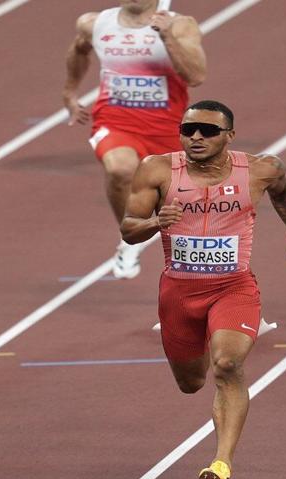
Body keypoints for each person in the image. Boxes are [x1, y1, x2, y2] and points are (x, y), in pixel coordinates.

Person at [121, 100, 286, 479]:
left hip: (233, 287)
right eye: (188, 129)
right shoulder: (157, 169)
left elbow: (284, 194)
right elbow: (129, 229)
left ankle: (222, 462)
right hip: (179, 293)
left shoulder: (262, 169)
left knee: (228, 365)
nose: (196, 137)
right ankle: (194, 334)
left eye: (208, 131)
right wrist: (154, 222)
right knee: (191, 382)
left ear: (229, 136)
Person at [62, 0, 207, 279]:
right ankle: (130, 238)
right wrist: (69, 92)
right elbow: (79, 50)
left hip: (167, 128)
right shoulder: (94, 23)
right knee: (119, 169)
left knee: (188, 219)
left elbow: (196, 75)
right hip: (115, 121)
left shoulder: (180, 25)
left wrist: (167, 37)